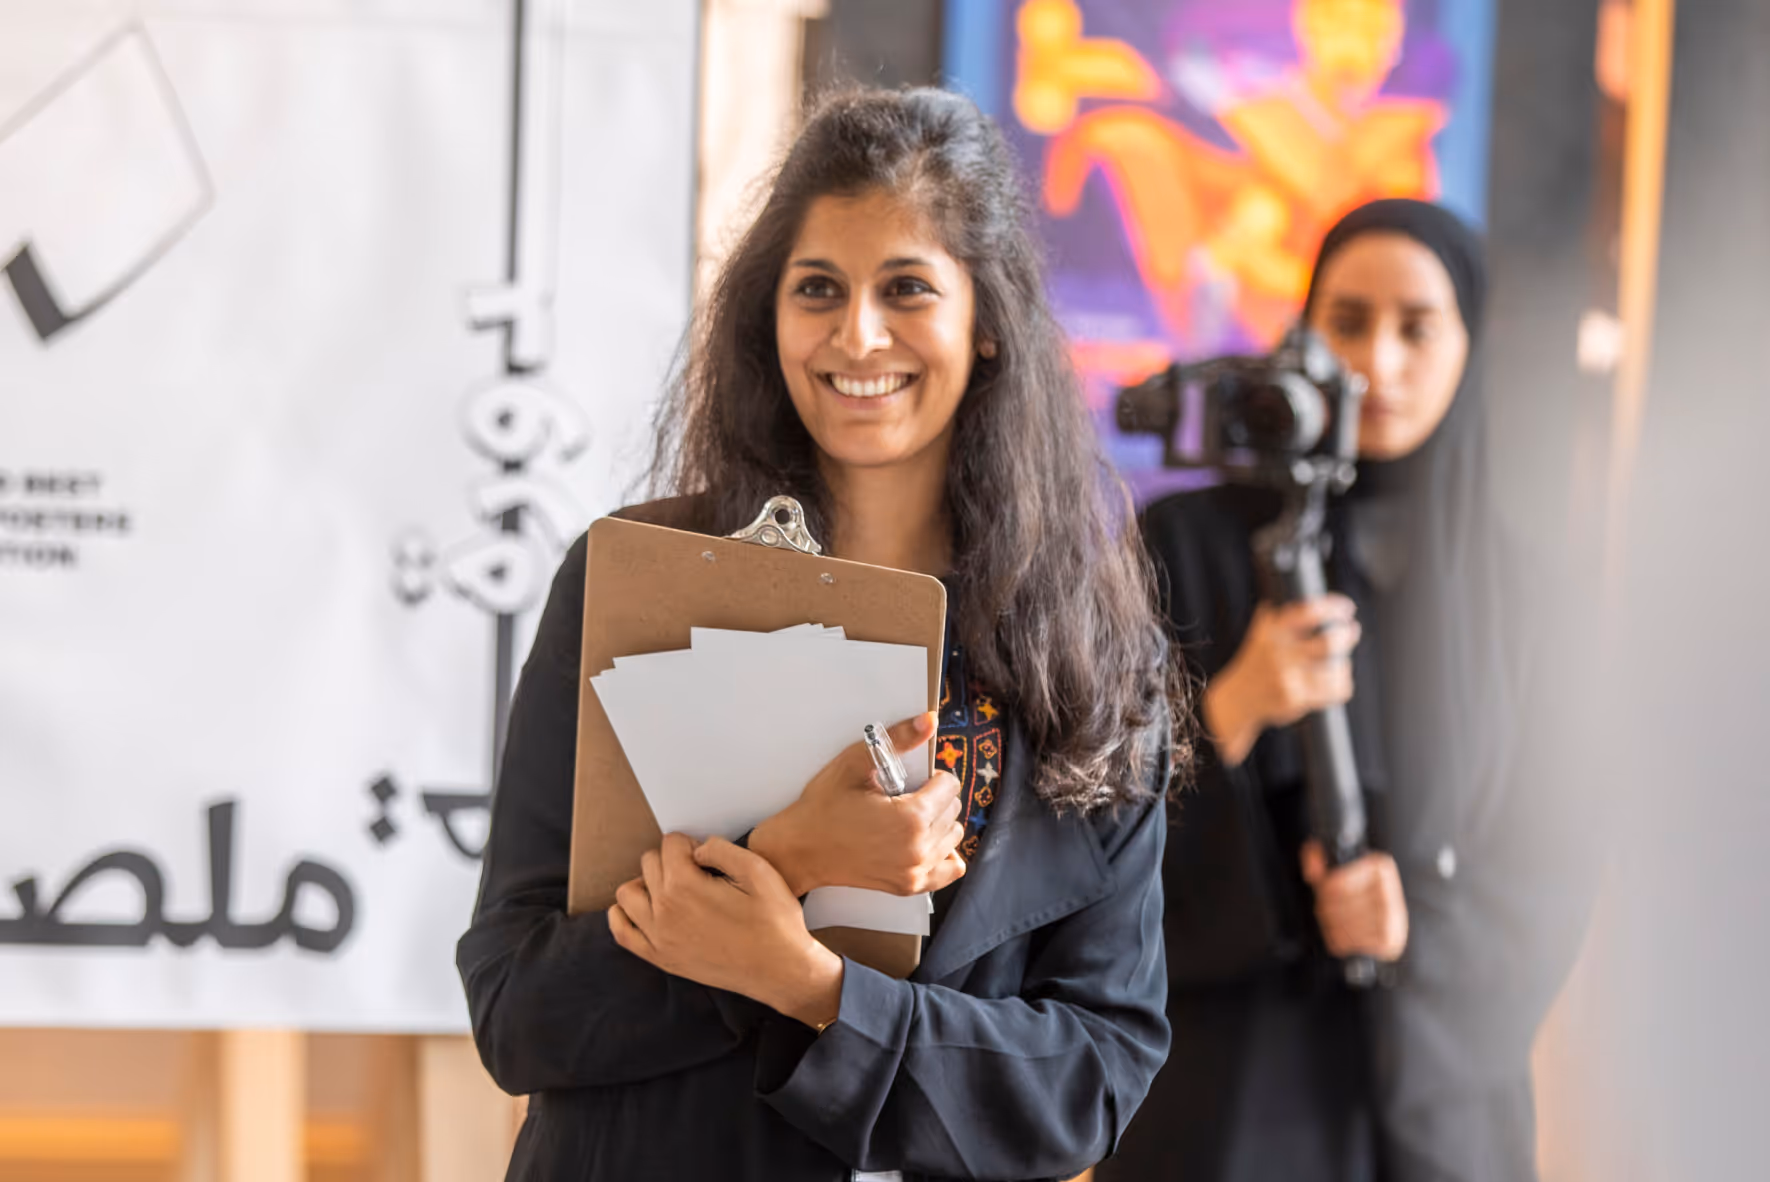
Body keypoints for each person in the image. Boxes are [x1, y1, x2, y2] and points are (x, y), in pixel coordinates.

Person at [457, 87, 1185, 1182]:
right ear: (770, 316)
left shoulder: (1085, 651)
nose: (857, 335)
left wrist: (811, 988)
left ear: (987, 324)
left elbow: (1092, 1078)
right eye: (818, 291)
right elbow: (518, 1011)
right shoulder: (634, 583)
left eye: (906, 290)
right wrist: (785, 858)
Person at [1104, 200, 1593, 1181]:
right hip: (1220, 1096)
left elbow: (1557, 862)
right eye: (1349, 320)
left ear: (1469, 344)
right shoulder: (1184, 549)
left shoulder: (1528, 601)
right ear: (1303, 334)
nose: (1381, 361)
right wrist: (1232, 708)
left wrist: (1417, 928)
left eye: (1418, 326)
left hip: (1429, 1113)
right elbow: (1086, 833)